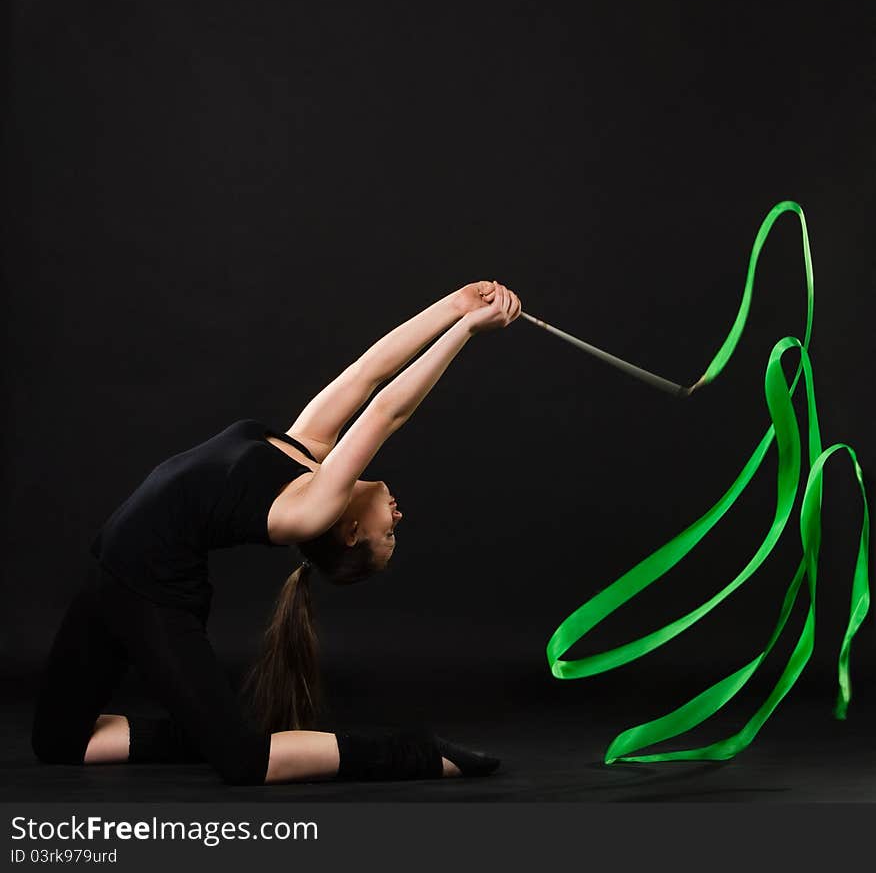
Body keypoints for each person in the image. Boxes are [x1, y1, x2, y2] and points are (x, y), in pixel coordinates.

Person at [30, 279, 522, 785]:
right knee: (56, 741)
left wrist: (465, 331)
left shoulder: (310, 509)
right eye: (393, 534)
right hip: (108, 568)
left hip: (150, 591)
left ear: (349, 533)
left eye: (389, 535)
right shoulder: (306, 451)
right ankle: (213, 730)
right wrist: (454, 307)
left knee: (244, 762)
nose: (399, 518)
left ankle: (414, 754)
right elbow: (368, 376)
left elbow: (387, 413)